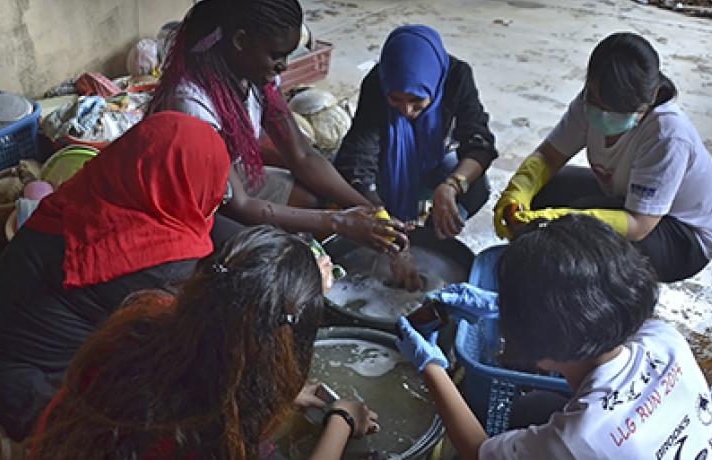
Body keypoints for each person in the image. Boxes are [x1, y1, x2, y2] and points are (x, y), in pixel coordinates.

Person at [0, 112, 235, 440]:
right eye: (216, 189)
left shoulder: (100, 186)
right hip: (35, 396)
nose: (218, 199)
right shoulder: (155, 261)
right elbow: (189, 344)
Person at [395, 215, 712, 459]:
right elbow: (597, 304)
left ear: (535, 348)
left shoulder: (579, 439)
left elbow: (477, 451)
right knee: (532, 407)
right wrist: (501, 306)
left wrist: (431, 366)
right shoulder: (665, 339)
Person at [28, 226, 379, 460]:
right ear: (274, 358)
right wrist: (342, 421)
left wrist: (283, 393)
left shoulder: (144, 324)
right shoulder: (207, 432)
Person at [150, 0, 408, 254]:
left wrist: (374, 214)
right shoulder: (192, 104)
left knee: (311, 201)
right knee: (263, 255)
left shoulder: (254, 76)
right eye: (277, 55)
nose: (284, 65)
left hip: (229, 178)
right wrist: (339, 222)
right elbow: (239, 203)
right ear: (241, 41)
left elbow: (303, 155)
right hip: (192, 203)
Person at [494, 32, 712, 282]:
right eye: (596, 100)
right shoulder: (587, 103)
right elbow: (549, 156)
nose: (603, 114)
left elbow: (638, 225)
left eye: (616, 109)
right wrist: (517, 192)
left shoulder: (667, 135)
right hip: (626, 201)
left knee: (572, 234)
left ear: (651, 96)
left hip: (679, 237)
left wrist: (559, 219)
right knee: (545, 192)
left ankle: (607, 300)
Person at [335, 25, 498, 291]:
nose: (407, 110)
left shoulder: (456, 77)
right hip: (387, 168)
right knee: (346, 187)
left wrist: (451, 186)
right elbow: (357, 161)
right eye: (396, 100)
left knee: (478, 185)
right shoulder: (378, 82)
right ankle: (403, 229)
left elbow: (479, 142)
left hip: (435, 161)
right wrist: (387, 231)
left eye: (416, 100)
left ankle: (434, 231)